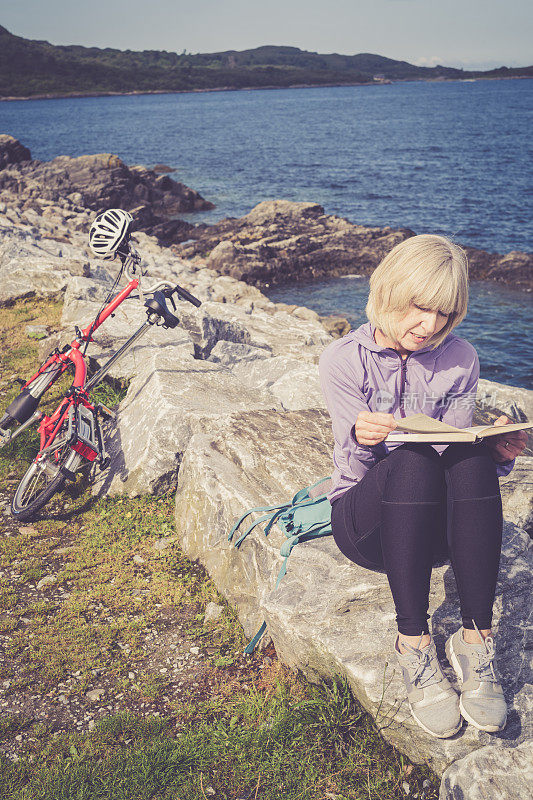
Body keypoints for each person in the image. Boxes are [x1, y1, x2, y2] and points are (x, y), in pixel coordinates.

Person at [318, 234, 528, 739]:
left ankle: (475, 640)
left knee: (472, 457)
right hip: (365, 521)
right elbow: (359, 467)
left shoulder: (461, 358)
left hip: (431, 529)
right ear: (389, 291)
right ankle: (412, 642)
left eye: (445, 314)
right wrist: (364, 438)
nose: (429, 326)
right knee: (411, 460)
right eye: (419, 308)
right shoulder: (342, 359)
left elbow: (455, 456)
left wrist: (494, 454)